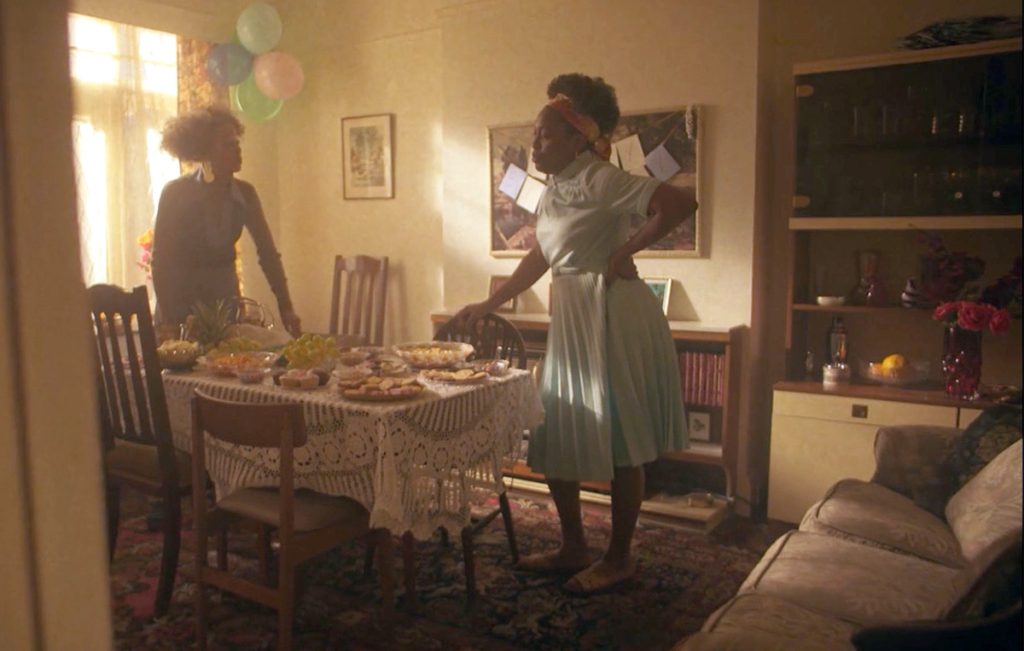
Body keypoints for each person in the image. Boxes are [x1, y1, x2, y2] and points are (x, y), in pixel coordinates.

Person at [452, 74, 697, 595]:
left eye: (544, 135)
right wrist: (488, 303)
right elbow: (540, 255)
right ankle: (573, 546)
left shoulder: (598, 178)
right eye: (535, 134)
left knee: (623, 439)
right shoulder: (555, 190)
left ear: (576, 137)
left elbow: (677, 204)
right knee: (555, 429)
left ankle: (619, 558)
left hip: (610, 313)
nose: (535, 143)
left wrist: (624, 252)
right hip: (572, 312)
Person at [151, 106, 301, 336]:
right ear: (205, 151)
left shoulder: (245, 194)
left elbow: (268, 253)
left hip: (224, 304)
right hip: (182, 307)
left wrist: (286, 306)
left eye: (236, 142)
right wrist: (169, 320)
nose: (237, 149)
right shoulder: (176, 193)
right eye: (228, 144)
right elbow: (161, 260)